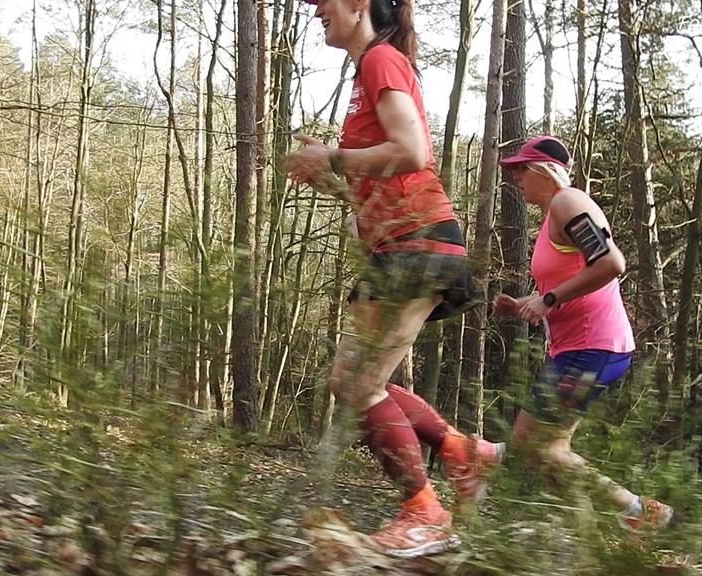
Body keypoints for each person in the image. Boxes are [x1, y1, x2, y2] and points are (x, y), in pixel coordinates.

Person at [285, 0, 503, 559]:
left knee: (359, 384)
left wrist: (335, 158)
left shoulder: (382, 59)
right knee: (350, 380)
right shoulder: (370, 68)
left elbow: (413, 151)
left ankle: (426, 513)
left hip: (417, 239)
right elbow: (381, 167)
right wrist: (334, 178)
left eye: (324, 0)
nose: (315, 8)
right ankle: (459, 450)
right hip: (397, 244)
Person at [492, 135, 674, 531]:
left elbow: (610, 263)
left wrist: (548, 299)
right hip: (581, 348)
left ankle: (638, 513)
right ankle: (605, 527)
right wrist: (524, 303)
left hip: (593, 346)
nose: (516, 177)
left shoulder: (568, 202)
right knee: (548, 450)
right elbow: (574, 280)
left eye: (521, 169)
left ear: (543, 171)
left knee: (529, 443)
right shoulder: (555, 213)